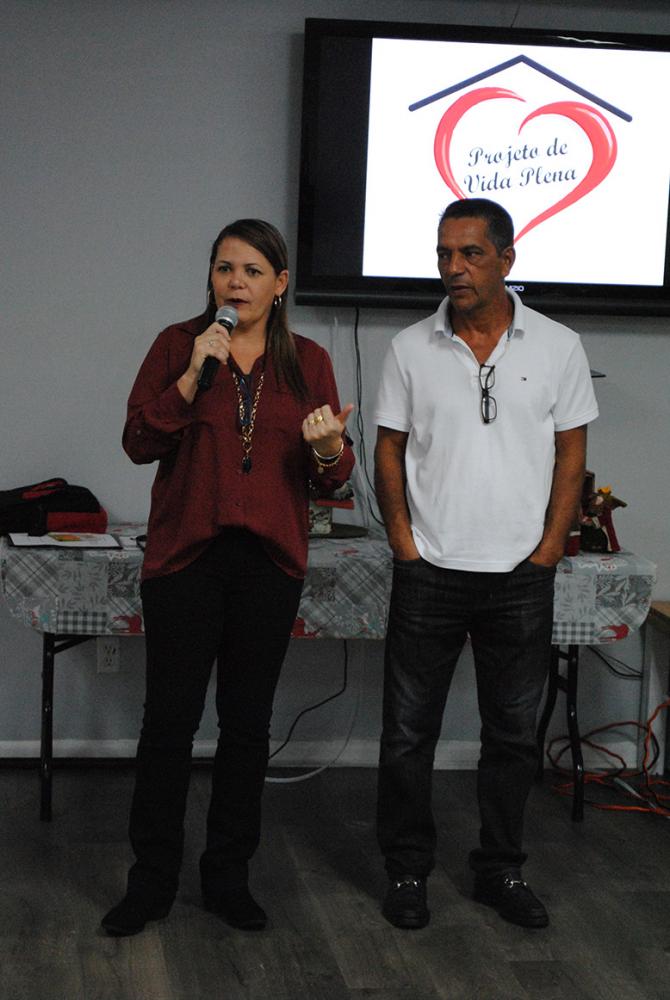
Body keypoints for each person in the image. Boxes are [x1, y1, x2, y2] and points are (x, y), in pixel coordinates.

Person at [102, 218, 354, 936]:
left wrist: (329, 449)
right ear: (210, 277)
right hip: (186, 560)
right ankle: (151, 881)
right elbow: (137, 442)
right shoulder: (178, 345)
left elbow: (332, 477)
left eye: (251, 270)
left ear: (280, 284)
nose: (235, 282)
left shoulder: (308, 361)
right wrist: (190, 378)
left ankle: (227, 877)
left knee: (247, 727)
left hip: (267, 564)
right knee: (169, 725)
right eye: (223, 268)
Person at [373, 198, 598, 931]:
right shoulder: (409, 348)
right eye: (444, 253)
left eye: (470, 253)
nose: (454, 267)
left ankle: (500, 869)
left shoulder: (558, 346)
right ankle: (407, 872)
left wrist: (550, 548)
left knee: (511, 736)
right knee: (407, 735)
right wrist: (404, 543)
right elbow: (387, 450)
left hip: (521, 578)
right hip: (429, 571)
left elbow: (571, 455)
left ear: (506, 258)